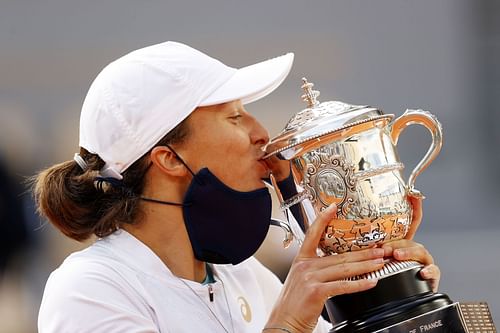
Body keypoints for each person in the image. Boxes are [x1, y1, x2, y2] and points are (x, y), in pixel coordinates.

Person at [33, 41, 440, 333]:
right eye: (234, 117)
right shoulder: (90, 289)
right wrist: (287, 325)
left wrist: (385, 291)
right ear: (169, 158)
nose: (261, 134)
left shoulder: (242, 276)